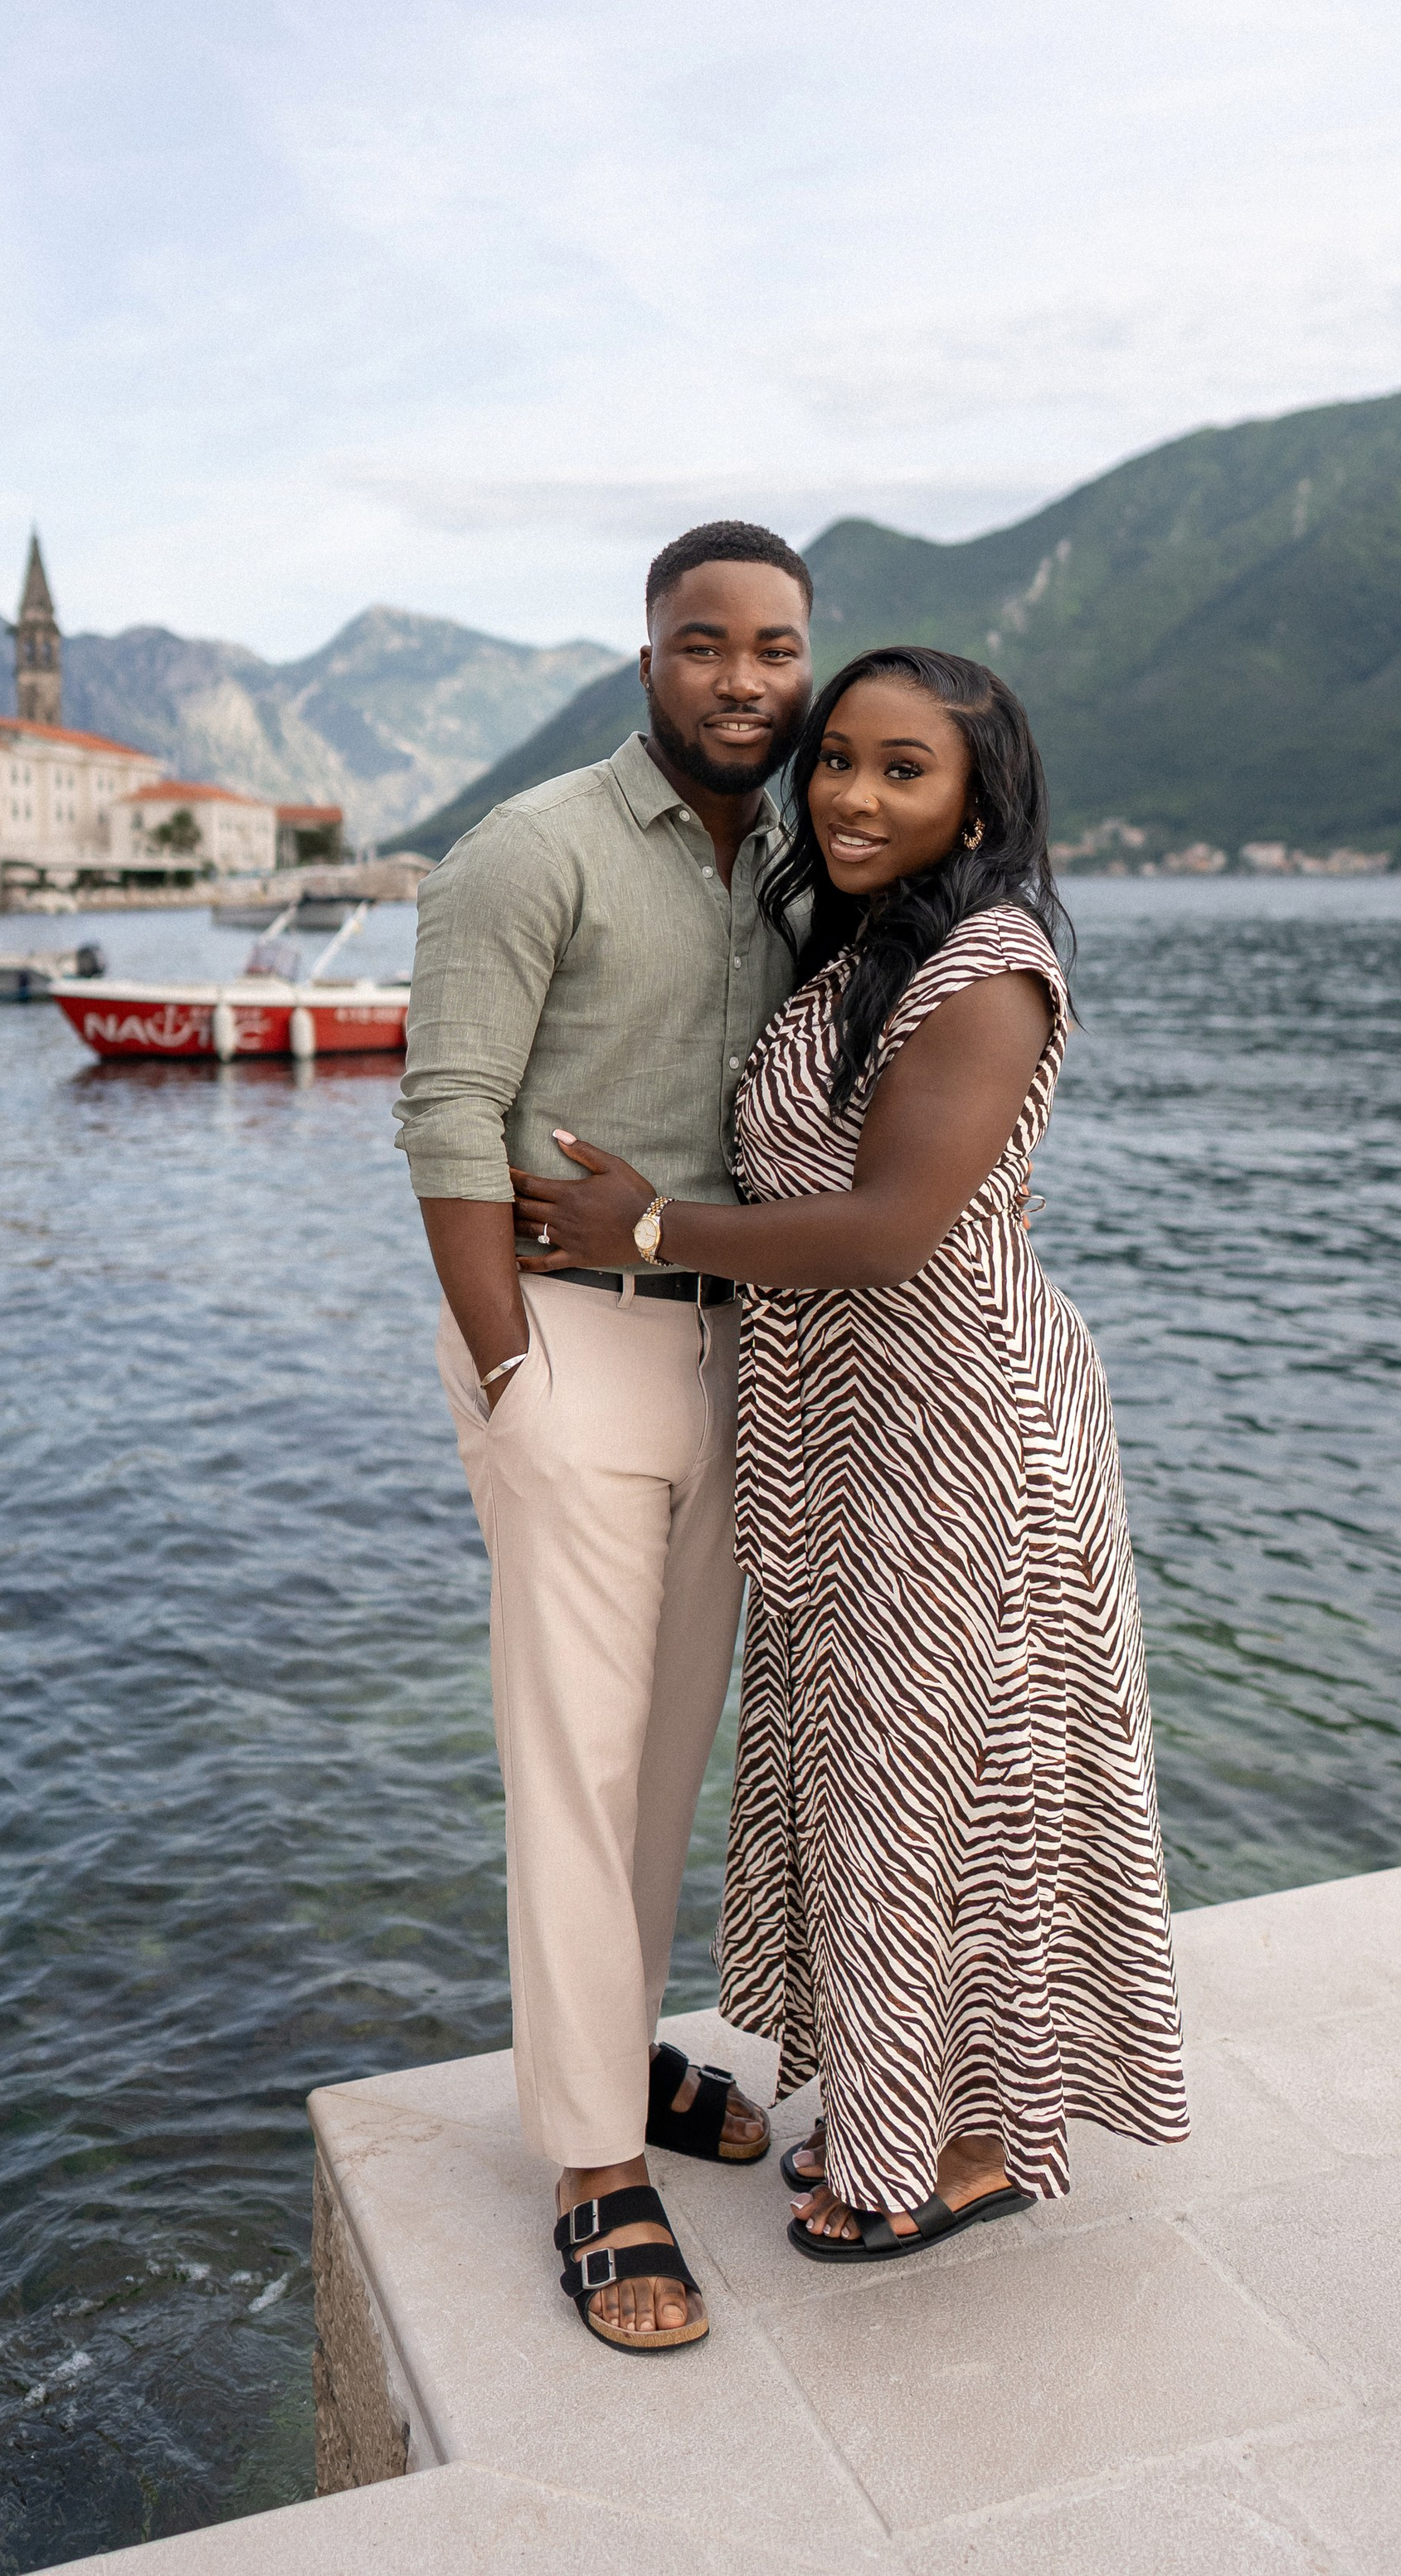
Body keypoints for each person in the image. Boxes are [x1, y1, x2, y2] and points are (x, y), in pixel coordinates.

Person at [513, 646, 1189, 2258]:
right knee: (872, 1786)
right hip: (841, 1435)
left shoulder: (989, 969)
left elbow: (891, 1229)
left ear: (974, 796)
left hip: (955, 1436)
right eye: (836, 763)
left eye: (903, 770)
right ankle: (904, 2101)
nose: (853, 795)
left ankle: (971, 2141)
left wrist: (652, 1225)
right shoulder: (864, 952)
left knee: (960, 1789)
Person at [394, 520, 815, 2353]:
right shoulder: (530, 847)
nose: (743, 679)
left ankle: (618, 2053)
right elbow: (444, 1119)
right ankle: (586, 2164)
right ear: (646, 656)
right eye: (705, 644)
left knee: (660, 1756)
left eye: (775, 647)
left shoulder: (802, 858)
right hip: (566, 1346)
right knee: (572, 1753)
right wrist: (508, 1376)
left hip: (737, 1346)